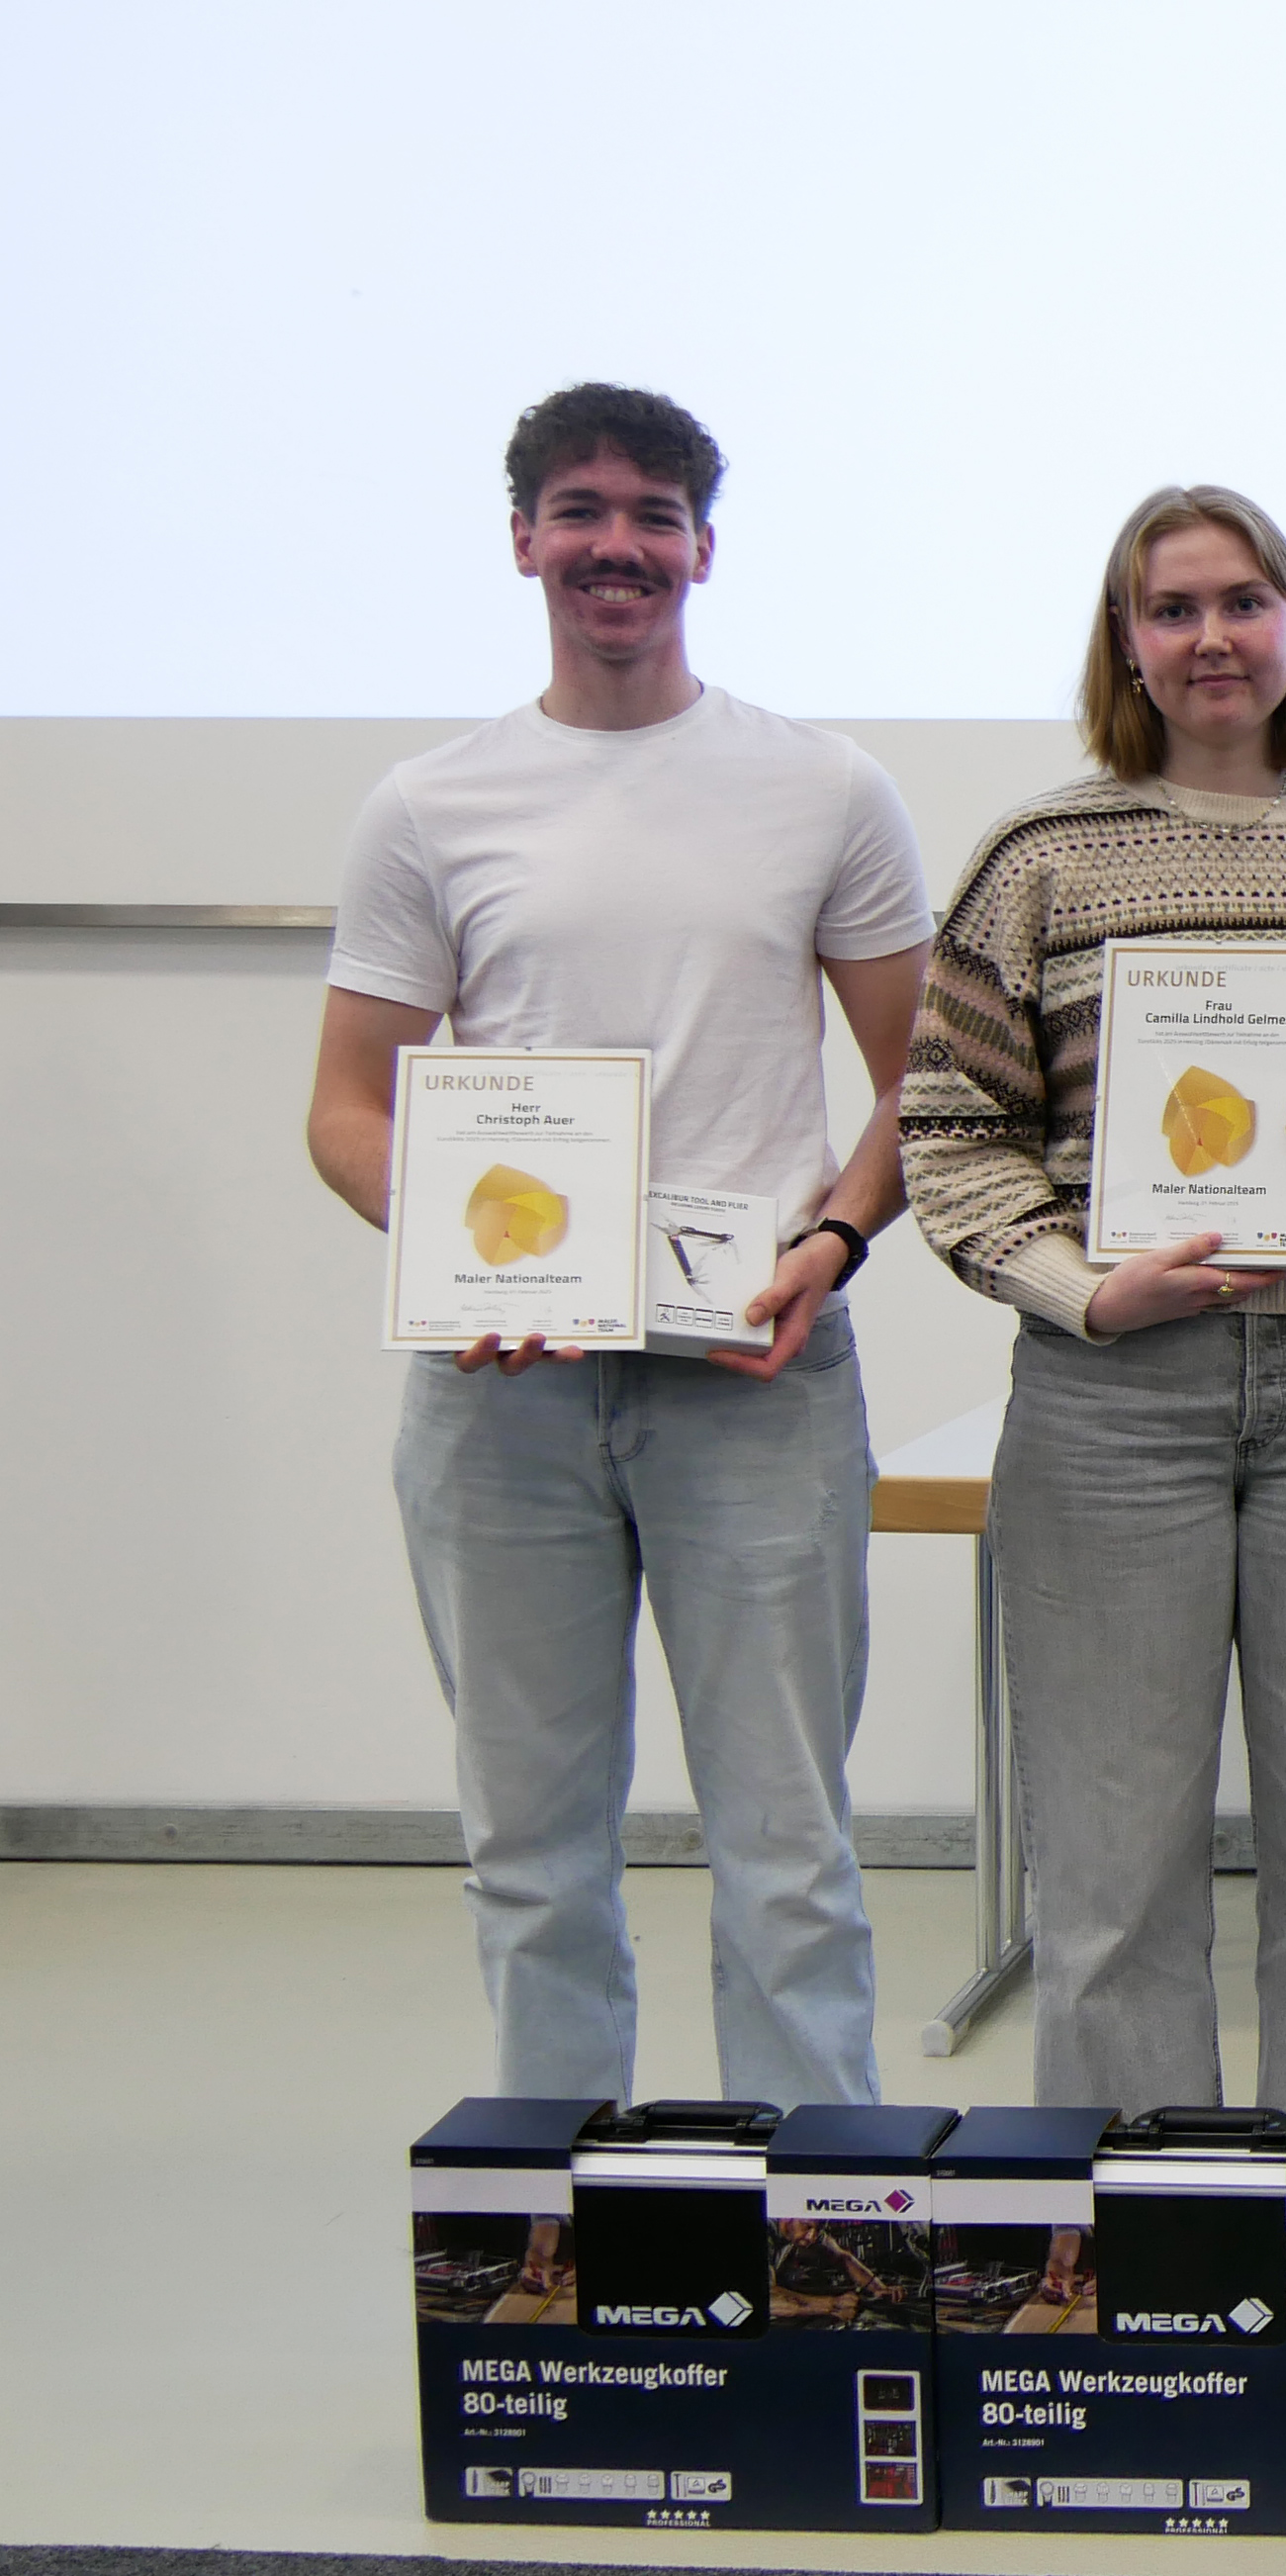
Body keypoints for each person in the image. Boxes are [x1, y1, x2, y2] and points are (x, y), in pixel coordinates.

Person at [307, 383, 931, 2109]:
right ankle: (556, 2242)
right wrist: (458, 1253)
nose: (617, 546)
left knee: (787, 1858)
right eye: (580, 510)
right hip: (501, 1402)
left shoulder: (824, 788)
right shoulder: (430, 806)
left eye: (654, 516)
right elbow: (350, 1107)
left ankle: (826, 2242)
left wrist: (833, 1238)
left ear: (703, 551)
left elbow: (921, 1087)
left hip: (759, 1382)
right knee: (531, 1852)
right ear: (523, 539)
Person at [901, 484, 1286, 2115]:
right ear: (1127, 645)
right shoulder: (1037, 857)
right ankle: (1131, 2256)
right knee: (1108, 1886)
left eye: (1244, 600)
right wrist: (1083, 1291)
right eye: (1171, 609)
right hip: (1107, 1400)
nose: (1211, 637)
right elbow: (949, 1129)